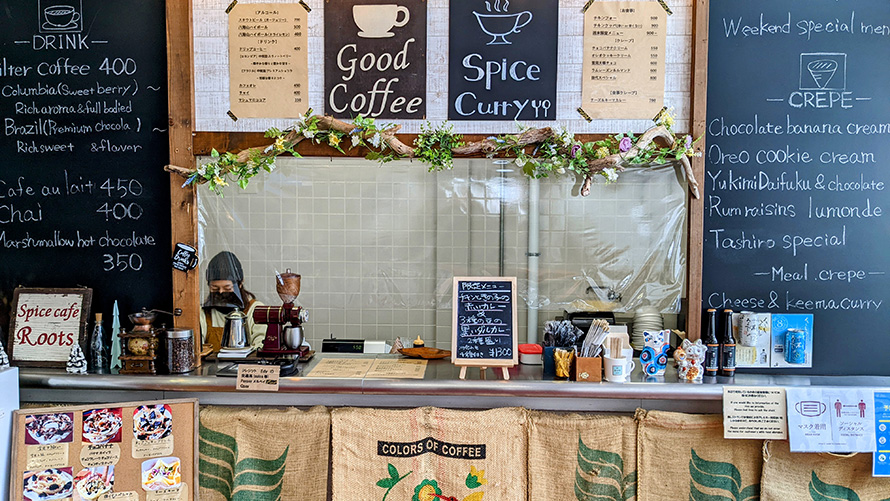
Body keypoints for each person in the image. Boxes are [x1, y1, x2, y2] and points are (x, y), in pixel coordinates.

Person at [199, 251, 266, 351]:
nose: (221, 292)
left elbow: (261, 345)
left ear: (240, 284)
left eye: (227, 288)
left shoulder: (256, 310)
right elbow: (196, 346)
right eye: (215, 288)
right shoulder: (203, 314)